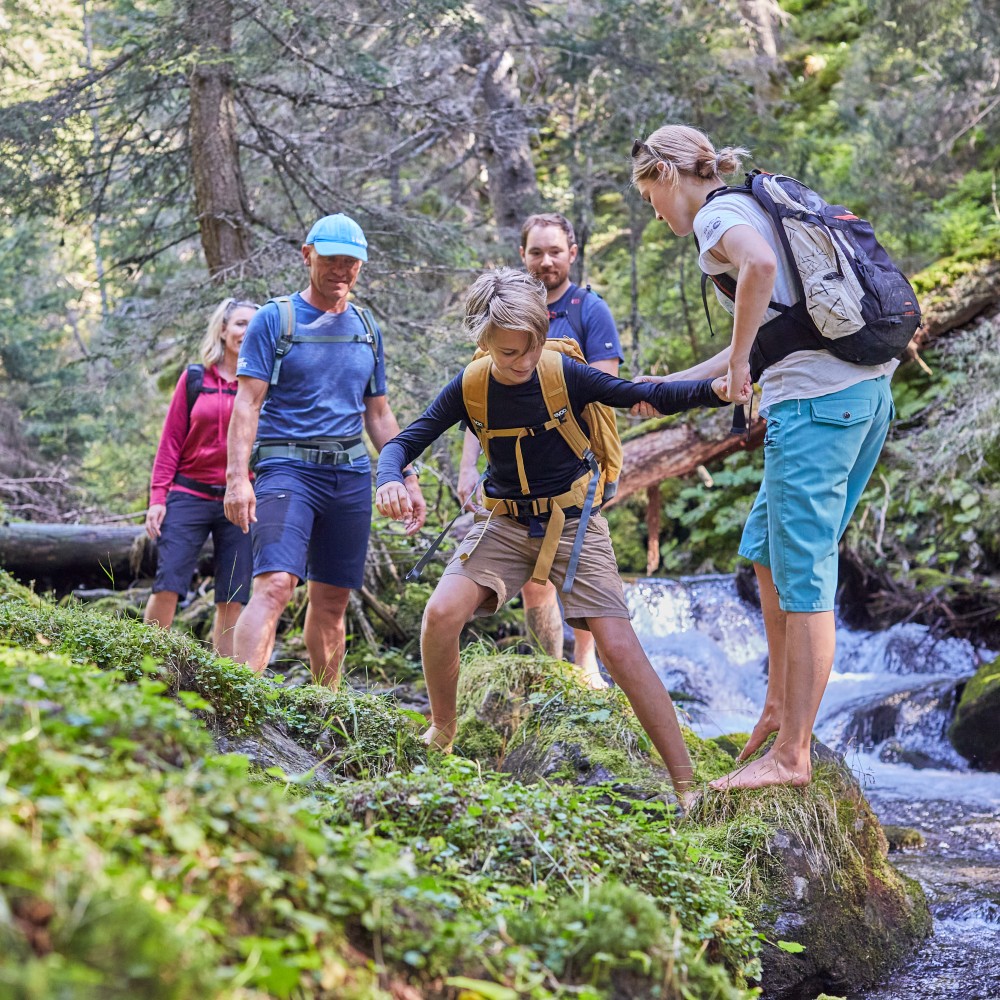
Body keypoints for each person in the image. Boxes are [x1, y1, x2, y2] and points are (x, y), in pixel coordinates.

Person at [375, 267, 729, 805]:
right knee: (441, 614)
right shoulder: (471, 384)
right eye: (504, 352)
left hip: (573, 521)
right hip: (505, 520)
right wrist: (387, 478)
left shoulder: (563, 372)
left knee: (618, 647)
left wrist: (713, 391)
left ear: (541, 335)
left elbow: (641, 395)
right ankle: (441, 732)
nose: (517, 363)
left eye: (526, 349)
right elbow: (404, 441)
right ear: (483, 341)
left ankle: (686, 785)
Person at [630, 124, 897, 789]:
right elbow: (769, 327)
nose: (654, 212)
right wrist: (664, 387)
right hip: (856, 397)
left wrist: (744, 362)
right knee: (765, 550)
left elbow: (760, 271)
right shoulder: (751, 205)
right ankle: (779, 708)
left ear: (665, 174)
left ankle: (793, 757)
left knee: (804, 577)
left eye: (648, 196)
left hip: (817, 408)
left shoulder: (719, 214)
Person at [224, 213, 427, 687]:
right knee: (274, 584)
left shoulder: (366, 325)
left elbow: (378, 414)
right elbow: (247, 404)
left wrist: (406, 475)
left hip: (350, 475)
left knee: (333, 602)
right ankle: (237, 702)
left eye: (351, 263)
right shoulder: (276, 318)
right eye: (331, 259)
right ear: (307, 255)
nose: (341, 270)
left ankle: (325, 707)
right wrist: (237, 479)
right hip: (286, 468)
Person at [457, 213, 625, 684]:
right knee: (534, 578)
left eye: (555, 251)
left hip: (575, 468)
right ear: (522, 255)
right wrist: (469, 467)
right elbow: (480, 398)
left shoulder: (589, 310)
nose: (546, 261)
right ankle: (551, 670)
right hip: (514, 472)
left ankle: (586, 664)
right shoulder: (502, 315)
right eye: (536, 252)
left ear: (572, 253)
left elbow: (604, 389)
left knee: (579, 567)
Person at [144, 297, 258, 656]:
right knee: (168, 585)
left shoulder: (259, 383)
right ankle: (146, 665)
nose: (246, 331)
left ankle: (224, 681)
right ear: (223, 330)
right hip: (188, 494)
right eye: (240, 323)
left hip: (239, 498)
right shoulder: (195, 378)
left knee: (233, 594)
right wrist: (158, 499)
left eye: (253, 325)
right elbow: (170, 442)